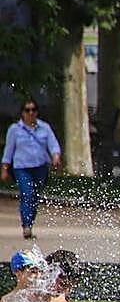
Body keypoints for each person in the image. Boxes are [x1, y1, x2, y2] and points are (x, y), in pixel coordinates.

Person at [1, 99, 62, 239]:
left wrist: (56, 156)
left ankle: (30, 221)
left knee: (35, 196)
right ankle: (26, 225)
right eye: (27, 110)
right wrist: (5, 168)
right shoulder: (15, 130)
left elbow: (53, 144)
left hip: (40, 167)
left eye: (33, 109)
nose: (30, 113)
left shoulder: (44, 127)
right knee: (27, 194)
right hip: (22, 168)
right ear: (22, 113)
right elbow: (9, 150)